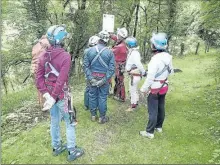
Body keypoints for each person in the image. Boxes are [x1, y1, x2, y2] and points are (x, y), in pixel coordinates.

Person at [36, 25, 84, 161]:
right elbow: (61, 80)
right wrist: (52, 97)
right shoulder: (65, 56)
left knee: (54, 121)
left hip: (51, 93)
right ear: (60, 40)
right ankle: (72, 150)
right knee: (70, 122)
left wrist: (47, 95)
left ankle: (56, 147)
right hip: (61, 95)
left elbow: (38, 79)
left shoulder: (43, 56)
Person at [139, 32, 174, 139]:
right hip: (164, 86)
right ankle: (159, 127)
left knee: (152, 110)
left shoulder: (155, 59)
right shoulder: (168, 56)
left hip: (155, 87)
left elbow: (150, 78)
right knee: (161, 107)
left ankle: (149, 132)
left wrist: (143, 89)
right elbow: (171, 72)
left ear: (155, 46)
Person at [83, 30, 115, 124]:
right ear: (107, 40)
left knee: (92, 96)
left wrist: (91, 78)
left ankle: (93, 115)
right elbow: (111, 69)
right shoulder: (109, 53)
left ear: (99, 38)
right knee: (102, 97)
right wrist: (104, 80)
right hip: (103, 78)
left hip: (92, 77)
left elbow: (86, 66)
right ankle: (102, 117)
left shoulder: (89, 51)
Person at [125, 37, 146, 112]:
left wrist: (143, 72)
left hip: (134, 75)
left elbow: (138, 64)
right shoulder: (133, 52)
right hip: (133, 74)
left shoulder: (134, 53)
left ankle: (133, 105)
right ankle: (135, 102)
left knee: (132, 90)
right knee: (134, 89)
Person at [31, 35, 51, 108]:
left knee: (39, 87)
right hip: (42, 67)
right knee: (45, 86)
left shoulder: (35, 46)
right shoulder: (47, 43)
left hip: (33, 68)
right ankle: (46, 105)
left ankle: (40, 103)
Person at [110, 27, 128, 102]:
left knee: (119, 80)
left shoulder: (120, 47)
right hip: (121, 64)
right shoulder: (123, 43)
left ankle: (121, 97)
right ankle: (117, 94)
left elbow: (110, 51)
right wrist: (110, 35)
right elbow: (116, 38)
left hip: (119, 65)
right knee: (118, 80)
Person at [83, 35, 100, 110]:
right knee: (94, 89)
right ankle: (92, 105)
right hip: (94, 72)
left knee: (88, 88)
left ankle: (86, 104)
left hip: (87, 72)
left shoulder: (86, 50)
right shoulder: (96, 51)